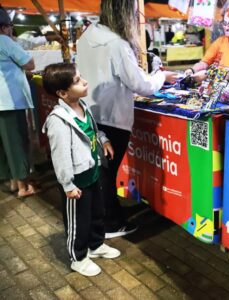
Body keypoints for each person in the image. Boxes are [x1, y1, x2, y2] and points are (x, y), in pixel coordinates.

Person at [76, 0, 177, 239]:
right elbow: (141, 85)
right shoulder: (117, 44)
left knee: (101, 171)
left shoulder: (87, 36)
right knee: (106, 174)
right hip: (112, 118)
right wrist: (160, 75)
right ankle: (110, 223)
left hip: (91, 111)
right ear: (124, 13)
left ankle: (107, 218)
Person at [42, 62, 120, 277]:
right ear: (62, 92)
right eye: (77, 81)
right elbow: (60, 157)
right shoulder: (58, 121)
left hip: (92, 173)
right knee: (78, 221)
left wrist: (103, 140)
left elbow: (92, 131)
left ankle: (95, 245)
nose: (84, 81)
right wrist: (67, 184)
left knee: (97, 213)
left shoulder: (82, 106)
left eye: (80, 77)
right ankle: (78, 257)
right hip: (76, 182)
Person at [0, 6, 39, 198]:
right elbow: (29, 63)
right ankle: (24, 187)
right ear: (4, 27)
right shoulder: (4, 40)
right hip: (10, 101)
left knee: (5, 143)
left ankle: (14, 181)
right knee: (17, 142)